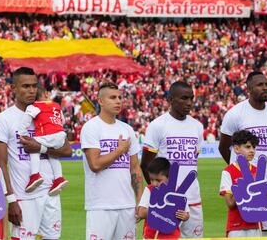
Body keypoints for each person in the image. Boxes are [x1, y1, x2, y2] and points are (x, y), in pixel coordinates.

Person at [0, 67, 72, 240]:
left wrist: (41, 148)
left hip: (51, 193)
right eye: (25, 86)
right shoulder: (4, 119)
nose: (31, 91)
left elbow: (67, 150)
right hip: (24, 196)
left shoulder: (49, 113)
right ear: (13, 88)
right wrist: (11, 199)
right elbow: (0, 164)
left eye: (34, 86)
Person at [219, 71, 267, 236]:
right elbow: (224, 146)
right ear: (249, 89)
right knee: (244, 230)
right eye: (260, 85)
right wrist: (240, 171)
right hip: (244, 184)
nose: (265, 88)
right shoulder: (235, 114)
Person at [80, 82, 143, 240]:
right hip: (100, 206)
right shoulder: (91, 127)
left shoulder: (127, 129)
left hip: (127, 206)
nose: (118, 101)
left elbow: (135, 169)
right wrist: (119, 150)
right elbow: (95, 165)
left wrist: (141, 201)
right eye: (113, 97)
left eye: (120, 97)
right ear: (100, 101)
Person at [141, 81, 204, 238]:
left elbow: (192, 162)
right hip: (166, 202)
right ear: (170, 100)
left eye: (191, 98)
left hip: (192, 199)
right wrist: (158, 195)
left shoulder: (197, 126)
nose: (189, 103)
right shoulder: (157, 125)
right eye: (184, 98)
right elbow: (146, 165)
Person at [219, 130, 267, 237]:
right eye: (247, 147)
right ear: (236, 149)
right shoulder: (228, 172)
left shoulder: (258, 171)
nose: (252, 151)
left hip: (255, 225)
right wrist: (245, 191)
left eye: (254, 147)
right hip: (236, 226)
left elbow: (260, 201)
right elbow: (230, 204)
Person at [18, 86, 68, 195]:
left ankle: (35, 175)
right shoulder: (56, 106)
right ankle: (59, 178)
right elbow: (62, 121)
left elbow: (25, 122)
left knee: (34, 148)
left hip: (47, 133)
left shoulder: (34, 106)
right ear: (45, 94)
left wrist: (23, 135)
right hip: (60, 135)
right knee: (53, 155)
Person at [137, 157, 190, 239]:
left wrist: (185, 216)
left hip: (171, 236)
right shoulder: (149, 190)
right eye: (151, 179)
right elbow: (141, 212)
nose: (154, 183)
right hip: (150, 236)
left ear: (169, 177)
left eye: (158, 180)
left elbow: (186, 213)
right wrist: (160, 210)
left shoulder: (178, 193)